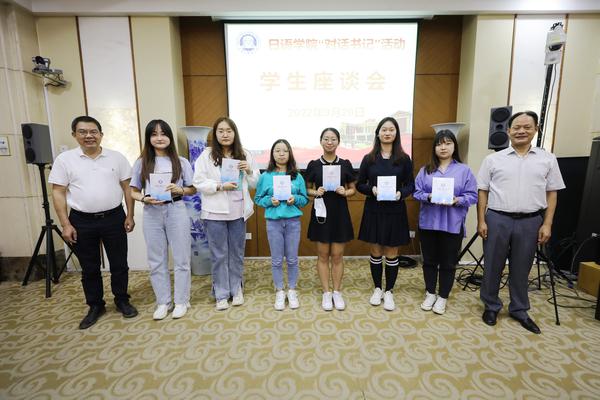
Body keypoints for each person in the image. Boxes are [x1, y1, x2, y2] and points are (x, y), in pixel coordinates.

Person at [477, 111, 565, 334]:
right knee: (492, 265)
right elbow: (482, 191)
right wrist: (481, 220)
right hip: (497, 218)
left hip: (530, 221)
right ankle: (491, 305)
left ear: (536, 130)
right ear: (508, 131)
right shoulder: (493, 159)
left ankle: (519, 309)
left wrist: (547, 224)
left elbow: (552, 193)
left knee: (522, 267)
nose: (521, 131)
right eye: (516, 127)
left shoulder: (548, 159)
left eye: (527, 127)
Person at [49, 115, 138, 329]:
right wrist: (65, 224)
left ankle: (122, 299)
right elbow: (58, 192)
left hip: (114, 217)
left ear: (101, 134)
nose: (89, 136)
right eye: (83, 132)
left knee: (119, 263)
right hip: (81, 220)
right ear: (74, 135)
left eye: (93, 132)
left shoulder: (116, 157)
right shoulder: (65, 160)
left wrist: (130, 215)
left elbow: (128, 187)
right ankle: (95, 305)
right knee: (90, 267)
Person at [130, 120, 196, 320]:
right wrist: (144, 198)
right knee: (156, 260)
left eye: (163, 133)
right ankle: (163, 302)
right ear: (148, 138)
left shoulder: (181, 162)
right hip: (152, 212)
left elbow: (193, 189)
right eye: (154, 134)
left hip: (176, 210)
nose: (159, 138)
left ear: (169, 137)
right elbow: (133, 191)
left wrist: (180, 189)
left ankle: (181, 301)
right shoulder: (141, 162)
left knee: (182, 258)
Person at [193, 117, 259, 311]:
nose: (225, 134)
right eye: (220, 131)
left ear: (234, 133)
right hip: (214, 212)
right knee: (219, 254)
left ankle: (236, 288)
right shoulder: (206, 155)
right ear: (215, 134)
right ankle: (221, 292)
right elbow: (198, 181)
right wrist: (219, 186)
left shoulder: (244, 154)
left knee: (237, 252)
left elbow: (256, 182)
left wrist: (249, 171)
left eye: (229, 131)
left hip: (238, 211)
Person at [413, 130, 477, 315]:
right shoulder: (426, 170)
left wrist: (458, 200)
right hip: (429, 224)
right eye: (439, 144)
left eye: (448, 143)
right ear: (434, 148)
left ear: (454, 146)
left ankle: (442, 296)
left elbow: (473, 196)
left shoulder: (464, 170)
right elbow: (416, 193)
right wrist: (429, 196)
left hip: (452, 224)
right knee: (429, 261)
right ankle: (430, 293)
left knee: (448, 263)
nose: (443, 147)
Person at [357, 117, 415, 311]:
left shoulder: (404, 159)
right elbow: (360, 184)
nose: (387, 133)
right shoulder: (369, 158)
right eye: (384, 129)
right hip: (374, 210)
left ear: (396, 133)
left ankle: (389, 291)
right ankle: (377, 288)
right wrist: (371, 189)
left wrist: (401, 193)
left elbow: (411, 185)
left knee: (391, 252)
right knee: (375, 251)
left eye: (391, 129)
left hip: (395, 211)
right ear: (378, 133)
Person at [305, 128, 356, 311]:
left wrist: (345, 192)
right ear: (321, 141)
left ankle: (337, 292)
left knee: (337, 255)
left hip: (340, 214)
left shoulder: (345, 164)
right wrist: (315, 191)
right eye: (326, 139)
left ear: (338, 142)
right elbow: (307, 189)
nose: (329, 142)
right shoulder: (313, 165)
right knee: (323, 255)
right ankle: (326, 292)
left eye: (333, 139)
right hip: (321, 214)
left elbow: (353, 189)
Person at [255, 139, 309, 311]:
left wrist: (295, 199)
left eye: (285, 150)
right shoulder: (265, 176)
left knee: (292, 259)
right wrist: (270, 201)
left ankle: (292, 290)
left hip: (293, 222)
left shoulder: (297, 176)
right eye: (277, 150)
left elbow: (305, 199)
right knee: (277, 259)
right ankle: (279, 290)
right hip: (274, 222)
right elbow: (258, 199)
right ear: (272, 154)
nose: (281, 154)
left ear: (289, 153)